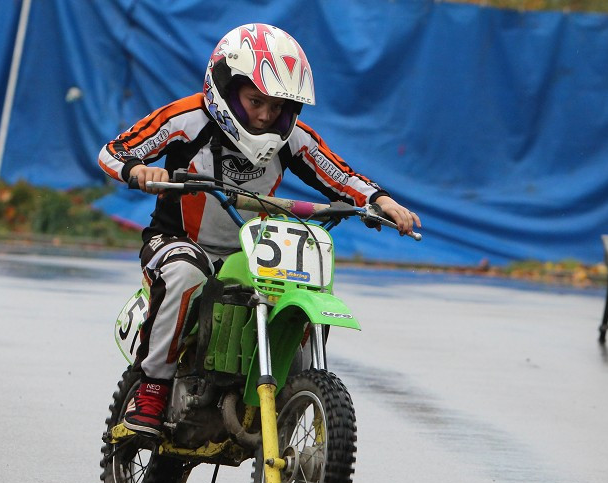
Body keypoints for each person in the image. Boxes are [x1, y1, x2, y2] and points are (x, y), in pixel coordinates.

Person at [99, 23, 420, 437]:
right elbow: (113, 151)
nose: (268, 115)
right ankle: (152, 386)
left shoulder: (292, 138)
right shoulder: (187, 119)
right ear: (226, 88)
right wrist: (136, 169)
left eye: (279, 106)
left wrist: (382, 202)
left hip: (246, 253)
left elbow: (338, 173)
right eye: (256, 101)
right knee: (185, 270)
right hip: (175, 242)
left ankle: (294, 398)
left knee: (300, 285)